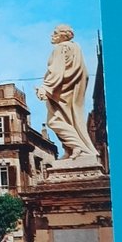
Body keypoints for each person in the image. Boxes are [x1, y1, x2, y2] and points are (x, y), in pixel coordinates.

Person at [36, 25, 99, 161]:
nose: (52, 35)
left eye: (55, 32)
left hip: (61, 91)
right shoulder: (76, 47)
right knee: (69, 119)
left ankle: (77, 146)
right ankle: (70, 150)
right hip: (72, 91)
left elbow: (57, 70)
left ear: (63, 35)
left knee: (54, 121)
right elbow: (84, 73)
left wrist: (45, 88)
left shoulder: (60, 48)